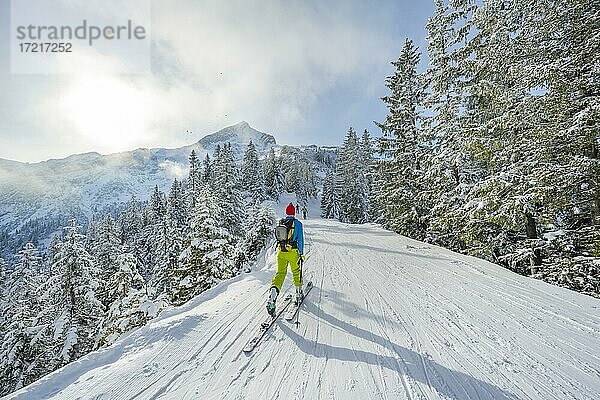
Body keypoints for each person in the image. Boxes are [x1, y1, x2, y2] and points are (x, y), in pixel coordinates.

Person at [267, 203, 305, 316]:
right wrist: (301, 254)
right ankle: (298, 294)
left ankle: (273, 295)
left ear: (286, 212)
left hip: (281, 252)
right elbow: (301, 241)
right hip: (292, 252)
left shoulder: (281, 222)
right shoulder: (298, 224)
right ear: (294, 213)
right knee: (296, 272)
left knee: (280, 274)